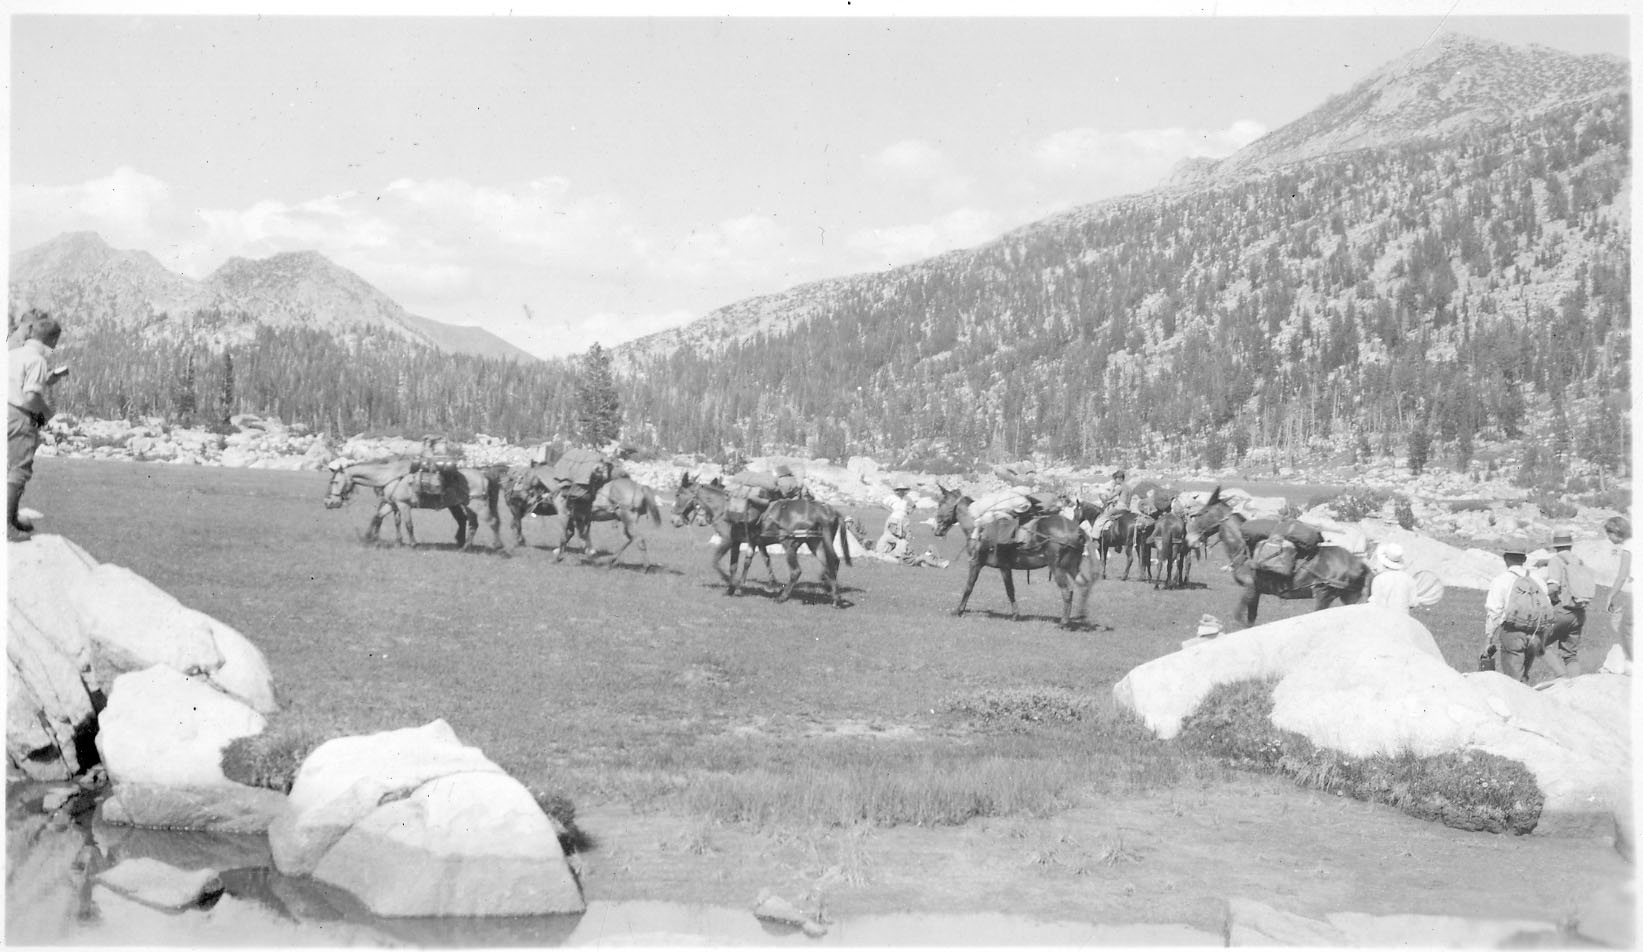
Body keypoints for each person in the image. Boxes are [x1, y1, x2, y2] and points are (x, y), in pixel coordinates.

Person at [8, 315, 68, 542]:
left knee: (8, 467)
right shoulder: (38, 360)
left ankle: (10, 518)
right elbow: (31, 397)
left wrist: (48, 380)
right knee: (19, 470)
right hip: (21, 416)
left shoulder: (12, 354)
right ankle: (7, 524)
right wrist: (47, 414)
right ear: (52, 340)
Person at [1480, 544, 1553, 683]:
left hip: (1513, 634)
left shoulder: (1501, 580)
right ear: (1524, 559)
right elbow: (1546, 608)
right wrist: (1542, 640)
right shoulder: (1537, 579)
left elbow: (1494, 612)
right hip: (1535, 635)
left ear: (1505, 558)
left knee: (1513, 682)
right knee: (1524, 677)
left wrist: (1488, 640)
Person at [1541, 528, 1590, 678]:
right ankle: (1575, 685)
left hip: (1562, 611)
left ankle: (1561, 676)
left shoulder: (1556, 560)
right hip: (1579, 613)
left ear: (1555, 546)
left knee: (1537, 643)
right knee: (1570, 655)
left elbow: (1553, 587)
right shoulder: (1579, 561)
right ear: (1570, 545)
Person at [1602, 516, 1633, 660]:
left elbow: (1622, 575)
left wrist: (1610, 596)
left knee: (1625, 628)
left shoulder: (1628, 547)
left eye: (1609, 533)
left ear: (1616, 532)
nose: (1608, 537)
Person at [1367, 542, 1419, 615]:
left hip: (1384, 619)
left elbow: (1375, 603)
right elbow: (1413, 603)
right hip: (1403, 620)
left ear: (1383, 562)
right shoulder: (1409, 579)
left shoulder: (1379, 579)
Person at [875, 479, 914, 554]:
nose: (902, 492)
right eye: (900, 490)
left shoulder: (907, 498)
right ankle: (887, 550)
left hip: (904, 519)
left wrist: (910, 511)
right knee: (891, 534)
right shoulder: (892, 497)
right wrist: (890, 510)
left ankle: (902, 551)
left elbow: (913, 506)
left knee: (904, 535)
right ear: (897, 490)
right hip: (894, 518)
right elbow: (881, 503)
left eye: (903, 490)